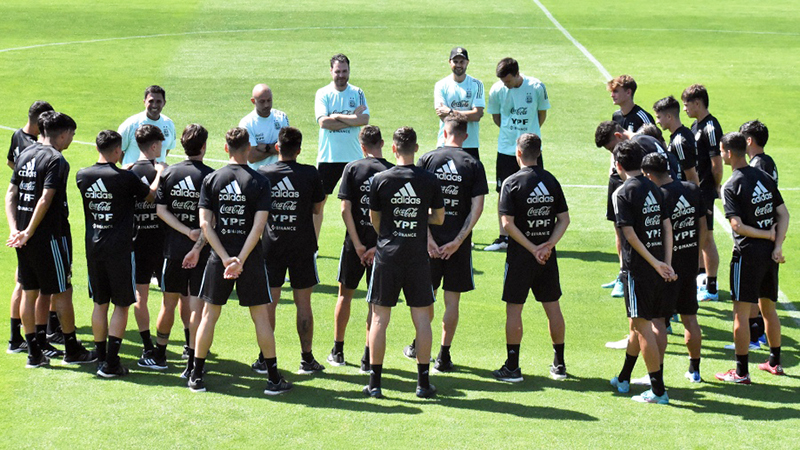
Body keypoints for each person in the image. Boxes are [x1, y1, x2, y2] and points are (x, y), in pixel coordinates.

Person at [191, 127, 291, 394]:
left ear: (226, 148)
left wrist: (225, 258)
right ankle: (272, 379)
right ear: (248, 149)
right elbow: (258, 228)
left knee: (209, 316)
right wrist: (240, 260)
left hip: (218, 258)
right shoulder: (259, 181)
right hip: (251, 260)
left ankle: (196, 376)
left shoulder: (212, 179)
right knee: (260, 318)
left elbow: (205, 224)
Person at [6, 111, 94, 367]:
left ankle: (34, 353)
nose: (72, 139)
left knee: (29, 291)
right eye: (72, 135)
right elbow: (45, 198)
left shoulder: (24, 154)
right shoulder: (56, 159)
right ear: (63, 133)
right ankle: (71, 349)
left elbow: (11, 194)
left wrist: (16, 230)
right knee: (63, 290)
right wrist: (31, 230)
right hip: (50, 236)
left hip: (22, 236)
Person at [365, 127, 444, 398]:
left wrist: (389, 230)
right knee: (422, 319)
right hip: (417, 256)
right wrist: (420, 218)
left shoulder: (380, 179)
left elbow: (375, 219)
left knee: (379, 318)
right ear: (416, 148)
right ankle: (422, 384)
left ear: (394, 149)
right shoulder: (429, 179)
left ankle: (375, 384)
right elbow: (440, 218)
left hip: (387, 254)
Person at [405, 115, 487, 372]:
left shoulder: (428, 159)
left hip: (427, 244)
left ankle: (420, 346)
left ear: (444, 132)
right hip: (458, 247)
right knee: (453, 302)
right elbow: (478, 207)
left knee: (425, 299)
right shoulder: (473, 163)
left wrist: (428, 239)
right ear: (465, 135)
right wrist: (458, 241)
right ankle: (444, 355)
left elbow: (415, 204)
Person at [76, 130, 156, 377]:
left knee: (100, 303)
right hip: (120, 249)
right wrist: (159, 175)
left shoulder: (82, 175)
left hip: (94, 247)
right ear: (116, 150)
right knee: (121, 305)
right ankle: (111, 364)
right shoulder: (126, 178)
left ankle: (100, 359)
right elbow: (150, 196)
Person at [491, 133, 569, 382]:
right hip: (547, 256)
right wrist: (547, 245)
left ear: (518, 153)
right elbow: (564, 219)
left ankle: (512, 367)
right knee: (553, 308)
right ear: (539, 152)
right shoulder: (551, 180)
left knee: (514, 310)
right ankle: (559, 364)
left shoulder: (511, 182)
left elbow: (507, 224)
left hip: (520, 258)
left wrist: (532, 248)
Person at [715, 132, 789, 384]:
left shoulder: (731, 185)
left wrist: (766, 235)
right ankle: (775, 363)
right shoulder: (765, 177)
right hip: (769, 256)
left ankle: (741, 372)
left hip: (746, 255)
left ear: (727, 152)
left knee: (741, 314)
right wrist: (776, 244)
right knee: (769, 308)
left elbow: (737, 226)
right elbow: (784, 214)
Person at [254, 127, 326, 375]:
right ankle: (307, 359)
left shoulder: (264, 174)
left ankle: (265, 359)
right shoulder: (310, 174)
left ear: (277, 148)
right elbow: (318, 209)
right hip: (303, 246)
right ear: (299, 149)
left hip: (272, 246)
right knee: (303, 304)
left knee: (269, 303)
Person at [608, 140, 676, 405]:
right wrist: (665, 262)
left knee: (642, 326)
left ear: (619, 165)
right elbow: (667, 227)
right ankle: (624, 378)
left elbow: (629, 235)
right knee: (637, 326)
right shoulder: (656, 188)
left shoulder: (622, 192)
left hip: (638, 269)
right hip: (660, 267)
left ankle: (658, 391)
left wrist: (655, 263)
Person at [594, 121, 681, 307]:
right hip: (665, 196)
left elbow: (629, 235)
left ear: (618, 137)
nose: (613, 153)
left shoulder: (638, 147)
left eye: (612, 149)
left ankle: (630, 276)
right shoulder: (648, 139)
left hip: (650, 199)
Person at [328, 125, 392, 372]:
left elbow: (345, 209)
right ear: (382, 143)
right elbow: (390, 213)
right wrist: (375, 246)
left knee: (345, 296)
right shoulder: (391, 171)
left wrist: (357, 244)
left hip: (353, 245)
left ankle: (338, 350)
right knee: (374, 302)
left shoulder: (352, 168)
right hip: (381, 246)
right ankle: (368, 356)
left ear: (362, 146)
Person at [154, 124, 215, 378]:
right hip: (201, 254)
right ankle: (191, 358)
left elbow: (160, 210)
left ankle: (159, 355)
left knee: (168, 304)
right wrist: (198, 240)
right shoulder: (212, 177)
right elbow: (211, 221)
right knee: (195, 306)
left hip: (172, 250)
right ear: (203, 146)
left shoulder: (170, 174)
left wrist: (183, 230)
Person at [641, 153, 706, 383]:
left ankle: (655, 376)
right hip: (689, 266)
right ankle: (695, 370)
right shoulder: (692, 189)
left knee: (658, 321)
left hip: (666, 269)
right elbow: (702, 228)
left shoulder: (657, 196)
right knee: (690, 318)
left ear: (649, 174)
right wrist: (698, 259)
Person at [485, 57, 550, 251]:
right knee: (503, 190)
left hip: (531, 149)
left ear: (516, 74)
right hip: (506, 148)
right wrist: (510, 133)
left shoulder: (537, 86)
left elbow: (541, 115)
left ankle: (533, 234)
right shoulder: (497, 90)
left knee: (534, 190)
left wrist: (529, 135)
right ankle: (503, 238)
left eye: (508, 80)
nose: (505, 84)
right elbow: (496, 117)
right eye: (503, 81)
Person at [6, 100, 55, 354]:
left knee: (27, 283)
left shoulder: (16, 136)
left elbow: (11, 167)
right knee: (33, 284)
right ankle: (29, 336)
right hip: (33, 221)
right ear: (40, 120)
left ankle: (22, 336)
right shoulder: (32, 145)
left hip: (23, 218)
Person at [314, 54, 370, 238]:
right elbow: (324, 123)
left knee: (356, 203)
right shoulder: (323, 93)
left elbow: (364, 119)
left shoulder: (357, 92)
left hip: (353, 158)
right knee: (318, 203)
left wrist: (336, 116)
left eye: (344, 71)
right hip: (328, 157)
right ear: (331, 71)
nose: (341, 75)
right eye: (337, 71)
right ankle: (313, 245)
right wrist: (351, 120)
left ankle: (357, 239)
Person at [128, 125, 167, 367]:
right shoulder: (165, 171)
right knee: (173, 296)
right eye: (160, 145)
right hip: (163, 242)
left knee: (140, 295)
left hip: (137, 241)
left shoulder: (127, 172)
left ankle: (147, 346)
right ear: (153, 146)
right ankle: (185, 345)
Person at [737, 120, 776, 349]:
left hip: (759, 235)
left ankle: (755, 336)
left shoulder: (757, 166)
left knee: (752, 292)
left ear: (748, 140)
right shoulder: (767, 161)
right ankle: (758, 336)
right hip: (768, 232)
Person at [681, 84, 722, 302]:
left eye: (686, 104)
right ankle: (701, 281)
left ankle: (712, 287)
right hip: (695, 191)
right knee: (697, 237)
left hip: (704, 190)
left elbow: (717, 163)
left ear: (698, 103)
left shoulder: (711, 127)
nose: (685, 108)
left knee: (706, 239)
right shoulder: (695, 127)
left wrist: (715, 186)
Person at [433, 47, 485, 160]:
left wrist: (451, 112)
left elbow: (477, 115)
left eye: (462, 62)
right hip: (445, 143)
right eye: (455, 61)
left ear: (468, 62)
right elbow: (442, 115)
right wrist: (468, 114)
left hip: (470, 144)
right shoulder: (441, 85)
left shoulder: (477, 84)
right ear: (449, 62)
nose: (459, 65)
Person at [118, 85, 176, 165]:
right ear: (144, 102)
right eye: (151, 101)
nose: (154, 105)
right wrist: (129, 168)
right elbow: (118, 150)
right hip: (134, 175)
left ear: (164, 103)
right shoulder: (131, 124)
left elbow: (167, 149)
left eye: (158, 101)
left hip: (158, 175)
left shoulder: (169, 124)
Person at [239, 84, 290, 170]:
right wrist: (275, 148)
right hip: (257, 175)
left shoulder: (281, 117)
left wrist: (265, 147)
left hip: (279, 174)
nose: (266, 105)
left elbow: (287, 149)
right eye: (262, 101)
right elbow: (251, 157)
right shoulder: (246, 123)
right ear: (253, 101)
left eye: (269, 100)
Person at [653, 96, 700, 184]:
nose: (657, 122)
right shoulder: (686, 132)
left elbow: (692, 177)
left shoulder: (679, 142)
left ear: (669, 117)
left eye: (659, 117)